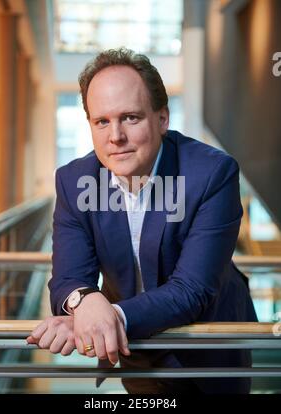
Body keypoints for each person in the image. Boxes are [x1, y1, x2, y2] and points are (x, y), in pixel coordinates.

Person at [27, 47, 257, 394]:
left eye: (130, 118)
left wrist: (109, 317)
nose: (115, 136)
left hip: (209, 344)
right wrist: (85, 302)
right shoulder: (74, 182)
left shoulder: (212, 174)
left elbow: (191, 290)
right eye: (101, 121)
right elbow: (68, 279)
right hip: (135, 347)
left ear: (162, 119)